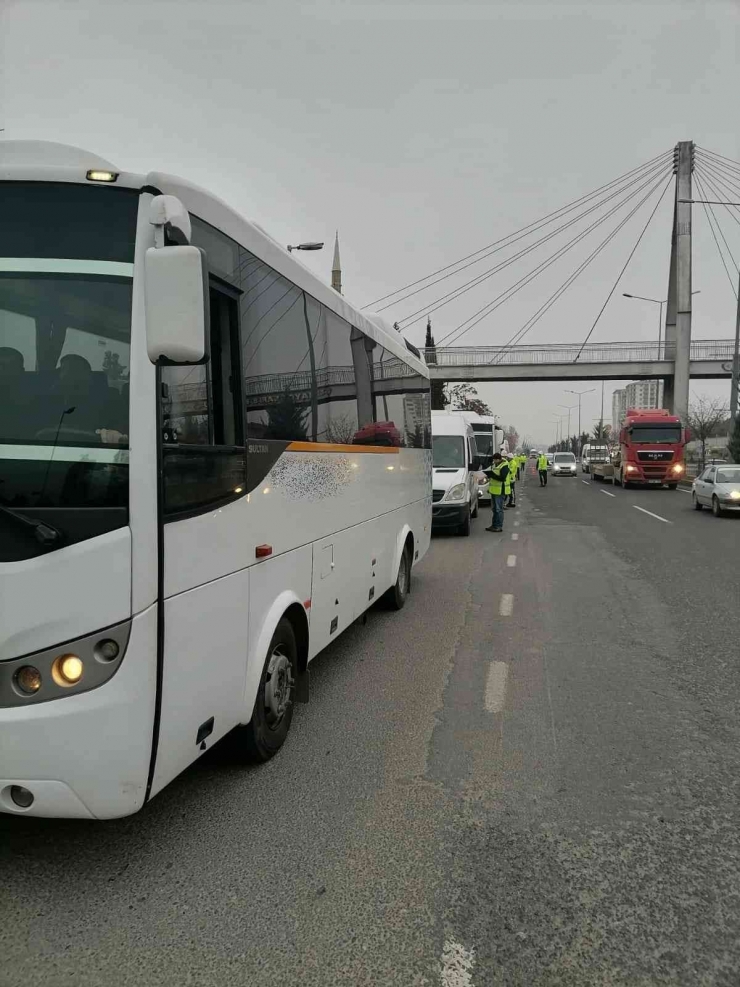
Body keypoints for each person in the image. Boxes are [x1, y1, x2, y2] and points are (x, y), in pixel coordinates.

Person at [485, 453, 509, 532]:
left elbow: (502, 478)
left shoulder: (505, 465)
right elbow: (493, 479)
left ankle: (499, 526)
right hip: (494, 491)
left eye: (495, 460)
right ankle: (494, 525)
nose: (494, 461)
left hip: (500, 491)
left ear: (498, 459)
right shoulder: (496, 465)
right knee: (494, 509)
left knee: (499, 509)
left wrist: (492, 475)